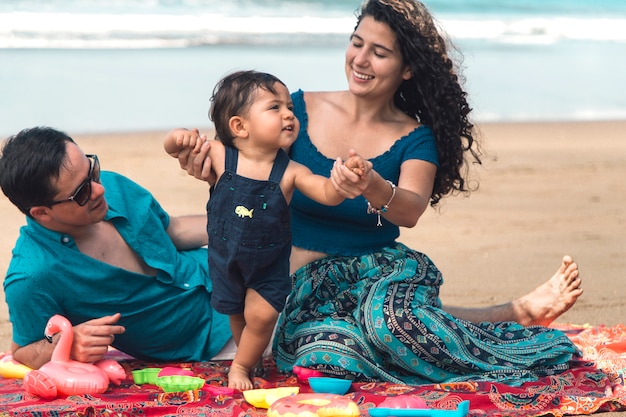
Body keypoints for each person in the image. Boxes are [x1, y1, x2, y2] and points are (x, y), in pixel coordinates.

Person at [175, 0, 583, 386]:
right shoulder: (292, 112)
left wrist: (373, 185)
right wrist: (203, 169)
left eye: (380, 52)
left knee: (389, 325)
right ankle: (506, 314)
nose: (361, 59)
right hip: (301, 284)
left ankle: (511, 317)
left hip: (377, 272)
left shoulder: (415, 138)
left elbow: (410, 209)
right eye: (357, 43)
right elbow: (245, 170)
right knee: (323, 357)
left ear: (406, 69)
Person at [164, 70, 371, 390]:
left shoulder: (290, 171)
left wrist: (343, 183)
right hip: (225, 260)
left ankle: (241, 366)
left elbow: (327, 193)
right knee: (235, 313)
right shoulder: (221, 155)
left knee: (260, 317)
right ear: (239, 126)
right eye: (274, 107)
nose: (289, 113)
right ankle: (251, 355)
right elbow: (172, 145)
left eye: (289, 106)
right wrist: (179, 138)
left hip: (268, 267)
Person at [0, 126, 232, 371]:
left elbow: (171, 231)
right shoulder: (32, 275)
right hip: (214, 339)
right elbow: (23, 350)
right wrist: (65, 342)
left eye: (92, 171)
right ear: (42, 213)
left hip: (233, 273)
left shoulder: (109, 186)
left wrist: (244, 226)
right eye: (81, 193)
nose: (99, 189)